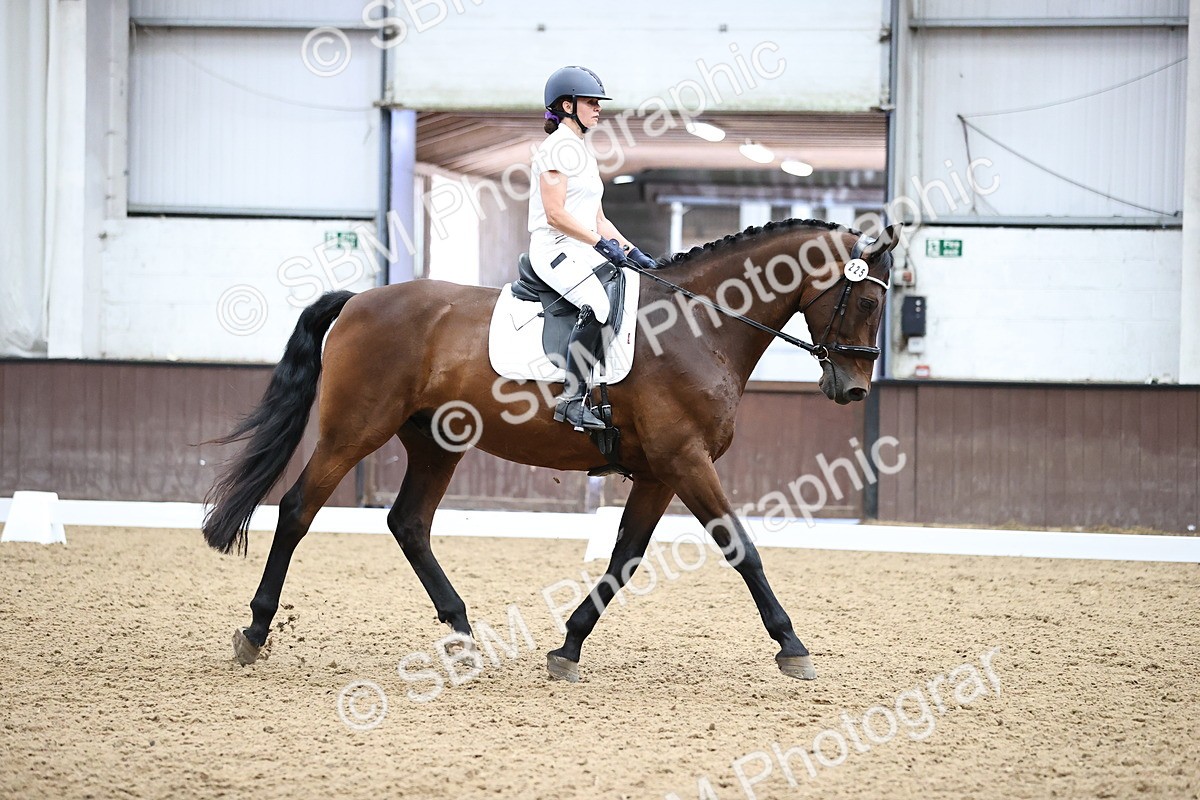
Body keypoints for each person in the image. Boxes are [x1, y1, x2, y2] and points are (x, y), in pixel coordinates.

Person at [528, 65, 658, 431]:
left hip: (582, 247)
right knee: (598, 304)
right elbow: (555, 214)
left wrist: (632, 252)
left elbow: (598, 218)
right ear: (567, 106)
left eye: (598, 103)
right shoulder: (555, 149)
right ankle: (571, 400)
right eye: (591, 102)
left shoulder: (581, 151)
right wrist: (600, 244)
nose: (598, 108)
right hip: (553, 248)